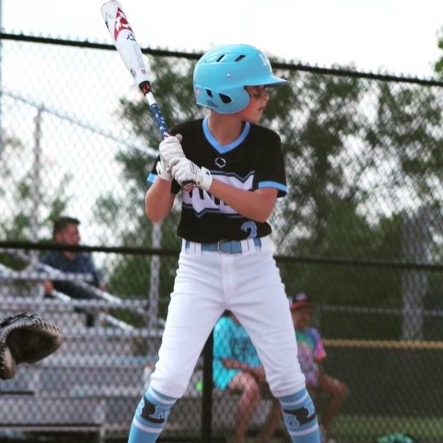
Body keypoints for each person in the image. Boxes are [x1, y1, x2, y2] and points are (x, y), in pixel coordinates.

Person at [128, 44, 320, 443]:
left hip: (254, 267)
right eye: (257, 90)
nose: (265, 97)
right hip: (198, 269)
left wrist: (204, 178)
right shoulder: (182, 138)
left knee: (288, 379)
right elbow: (155, 212)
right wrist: (165, 172)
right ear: (226, 94)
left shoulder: (266, 143)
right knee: (169, 378)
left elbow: (261, 209)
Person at [213, 311, 282, 443]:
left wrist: (263, 373)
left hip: (252, 371)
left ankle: (263, 439)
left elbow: (260, 358)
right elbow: (227, 362)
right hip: (226, 371)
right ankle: (238, 439)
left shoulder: (254, 327)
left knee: (282, 392)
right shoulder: (223, 325)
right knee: (252, 388)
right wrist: (254, 371)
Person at [289, 293, 348, 443]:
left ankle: (321, 430)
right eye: (299, 311)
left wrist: (320, 376)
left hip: (312, 375)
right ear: (291, 312)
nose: (303, 316)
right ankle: (304, 435)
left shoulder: (313, 334)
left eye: (306, 312)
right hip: (295, 378)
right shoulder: (287, 333)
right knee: (305, 392)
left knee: (340, 390)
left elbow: (319, 359)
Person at [40, 216, 105, 326]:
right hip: (63, 314)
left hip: (88, 311)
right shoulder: (50, 259)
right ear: (59, 236)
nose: (77, 238)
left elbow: (98, 279)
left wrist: (101, 283)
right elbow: (38, 271)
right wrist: (44, 280)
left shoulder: (84, 257)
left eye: (77, 234)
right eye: (73, 234)